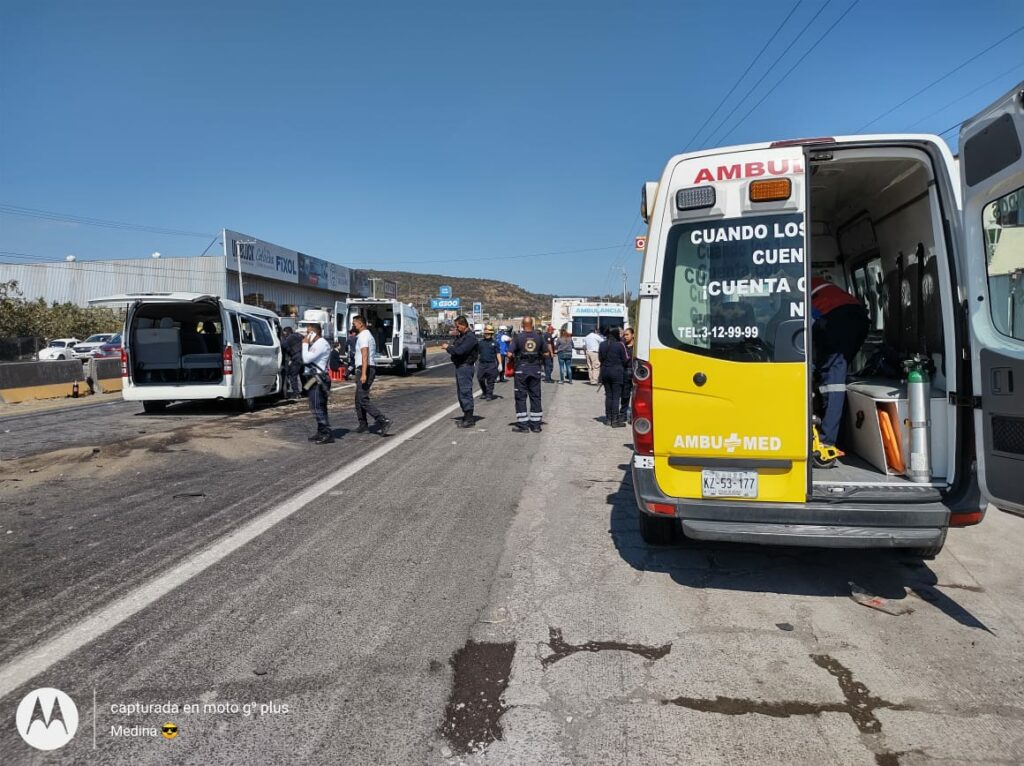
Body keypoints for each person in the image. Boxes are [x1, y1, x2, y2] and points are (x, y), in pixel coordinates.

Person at [811, 276, 869, 448]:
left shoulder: (797, 287)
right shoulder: (815, 281)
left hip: (837, 320)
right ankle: (833, 434)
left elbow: (803, 327)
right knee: (830, 377)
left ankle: (827, 442)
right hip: (858, 318)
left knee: (833, 382)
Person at [352, 314, 393, 436]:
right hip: (364, 368)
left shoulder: (364, 336)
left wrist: (364, 373)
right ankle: (363, 424)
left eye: (354, 323)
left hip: (366, 369)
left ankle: (383, 420)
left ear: (360, 324)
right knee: (358, 399)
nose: (353, 325)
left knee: (362, 399)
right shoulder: (364, 335)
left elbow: (365, 355)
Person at [508, 316, 549, 432]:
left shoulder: (517, 337)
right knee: (535, 397)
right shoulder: (539, 337)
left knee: (521, 397)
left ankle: (523, 425)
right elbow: (546, 353)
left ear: (522, 325)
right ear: (533, 325)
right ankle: (536, 425)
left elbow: (509, 354)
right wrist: (538, 355)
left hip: (521, 370)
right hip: (535, 369)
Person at [441, 315, 479, 428]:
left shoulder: (470, 338)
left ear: (463, 325)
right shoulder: (462, 336)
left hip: (466, 367)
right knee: (461, 393)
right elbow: (456, 349)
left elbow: (460, 351)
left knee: (465, 392)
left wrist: (448, 348)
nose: (456, 329)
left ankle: (469, 418)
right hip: (460, 367)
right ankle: (466, 415)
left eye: (458, 326)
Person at [301, 322, 333, 443]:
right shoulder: (317, 344)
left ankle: (326, 432)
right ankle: (321, 431)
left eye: (309, 332)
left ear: (314, 332)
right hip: (312, 378)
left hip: (318, 379)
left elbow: (306, 359)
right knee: (315, 404)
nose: (306, 335)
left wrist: (304, 345)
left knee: (316, 406)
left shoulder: (320, 344)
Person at [598, 327, 629, 427]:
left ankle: (608, 418)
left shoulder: (602, 344)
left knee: (608, 395)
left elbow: (600, 358)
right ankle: (615, 420)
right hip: (616, 372)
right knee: (616, 397)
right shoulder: (620, 345)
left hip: (605, 371)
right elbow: (625, 359)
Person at [477, 324, 500, 400]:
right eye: (486, 333)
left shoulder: (495, 343)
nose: (487, 334)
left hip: (491, 364)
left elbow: (498, 354)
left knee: (491, 380)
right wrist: (473, 361)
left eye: (489, 333)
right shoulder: (480, 343)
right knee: (480, 378)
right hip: (482, 364)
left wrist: (500, 364)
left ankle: (489, 394)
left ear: (491, 334)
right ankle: (485, 391)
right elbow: (477, 353)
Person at [280, 326, 304, 400]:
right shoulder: (299, 335)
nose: (285, 335)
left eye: (285, 333)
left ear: (287, 332)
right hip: (304, 357)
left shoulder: (290, 337)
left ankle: (296, 394)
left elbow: (283, 345)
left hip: (296, 357)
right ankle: (306, 391)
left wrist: (282, 338)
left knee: (293, 376)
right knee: (303, 376)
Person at [620, 327, 635, 421]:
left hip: (634, 372)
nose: (625, 337)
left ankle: (635, 414)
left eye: (627, 334)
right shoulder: (622, 346)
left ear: (633, 335)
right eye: (624, 335)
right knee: (625, 395)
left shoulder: (637, 347)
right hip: (625, 372)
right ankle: (623, 413)